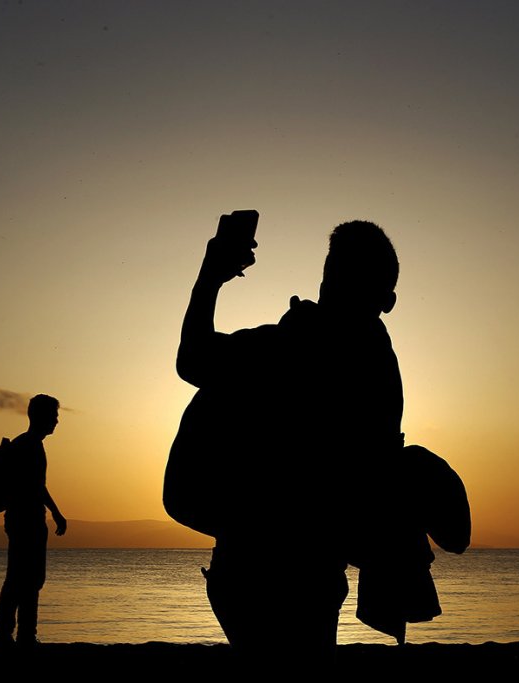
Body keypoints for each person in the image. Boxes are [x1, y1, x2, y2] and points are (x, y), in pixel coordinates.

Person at [171, 217, 404, 667]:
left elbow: (192, 359)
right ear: (387, 300)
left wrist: (210, 277)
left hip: (258, 565)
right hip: (311, 566)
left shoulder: (289, 346)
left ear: (328, 280)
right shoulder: (377, 364)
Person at [0, 393, 68, 648]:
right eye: (54, 416)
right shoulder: (29, 446)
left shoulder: (27, 444)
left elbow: (37, 485)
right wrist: (56, 512)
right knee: (24, 578)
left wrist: (54, 512)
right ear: (40, 416)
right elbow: (36, 486)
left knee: (25, 578)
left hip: (23, 519)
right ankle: (13, 634)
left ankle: (19, 634)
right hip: (26, 520)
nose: (56, 421)